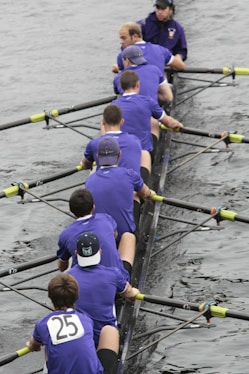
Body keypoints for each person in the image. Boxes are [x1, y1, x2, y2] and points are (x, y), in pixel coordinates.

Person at [26, 273, 119, 374]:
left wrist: (32, 345)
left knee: (49, 345)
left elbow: (34, 345)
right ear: (76, 296)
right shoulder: (85, 318)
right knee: (110, 330)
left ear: (50, 297)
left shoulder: (42, 324)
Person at [68, 231, 139, 347]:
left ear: (76, 254)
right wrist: (136, 292)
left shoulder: (66, 278)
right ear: (100, 252)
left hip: (77, 338)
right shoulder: (113, 274)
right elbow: (130, 294)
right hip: (103, 337)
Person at [85, 136, 154, 242]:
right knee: (135, 194)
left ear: (98, 156)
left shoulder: (89, 181)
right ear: (120, 155)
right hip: (124, 237)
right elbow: (146, 193)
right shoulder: (130, 175)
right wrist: (150, 193)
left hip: (102, 237)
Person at [57, 188, 134, 279]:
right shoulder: (106, 219)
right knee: (128, 236)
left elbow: (62, 267)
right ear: (93, 207)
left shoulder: (65, 235)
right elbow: (115, 236)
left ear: (70, 210)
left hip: (84, 282)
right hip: (116, 278)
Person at [113, 70, 183, 166]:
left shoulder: (114, 106)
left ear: (121, 86)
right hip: (143, 155)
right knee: (154, 121)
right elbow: (168, 122)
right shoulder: (148, 102)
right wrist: (177, 125)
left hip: (120, 155)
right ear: (138, 85)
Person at [81, 104, 142, 175]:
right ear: (122, 122)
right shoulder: (135, 140)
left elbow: (85, 164)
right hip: (130, 183)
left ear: (103, 122)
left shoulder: (94, 143)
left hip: (107, 182)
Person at [112, 21, 185, 74]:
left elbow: (122, 82)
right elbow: (180, 66)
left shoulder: (123, 56)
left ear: (135, 36)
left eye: (124, 38)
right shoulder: (161, 50)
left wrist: (118, 70)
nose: (121, 42)